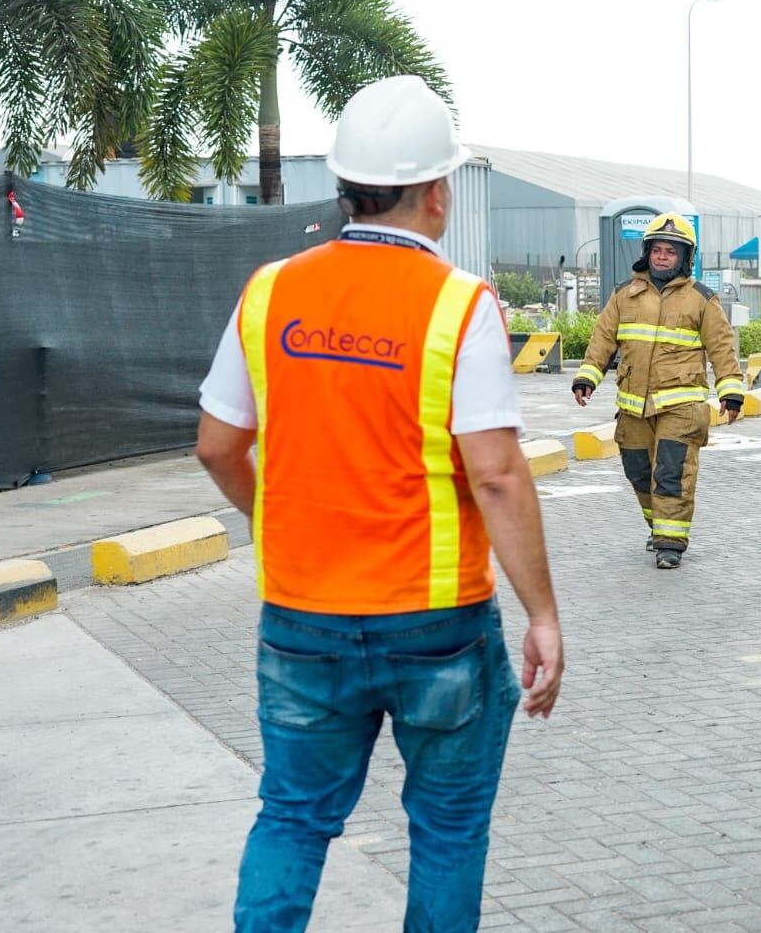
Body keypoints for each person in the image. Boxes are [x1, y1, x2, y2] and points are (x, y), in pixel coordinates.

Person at [195, 74, 564, 932]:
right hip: (435, 624)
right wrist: (541, 612)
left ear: (349, 185)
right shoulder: (460, 306)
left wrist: (274, 520)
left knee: (292, 816)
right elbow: (498, 474)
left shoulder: (269, 292)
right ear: (438, 192)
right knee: (445, 832)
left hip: (301, 617)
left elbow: (217, 446)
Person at [571, 214, 746, 569]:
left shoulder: (701, 299)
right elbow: (603, 339)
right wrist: (587, 377)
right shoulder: (624, 294)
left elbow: (723, 348)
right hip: (633, 406)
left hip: (682, 405)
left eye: (671, 251)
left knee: (670, 472)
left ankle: (671, 542)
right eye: (658, 250)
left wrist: (731, 391)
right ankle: (660, 525)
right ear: (647, 252)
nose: (663, 257)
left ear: (685, 257)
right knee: (638, 471)